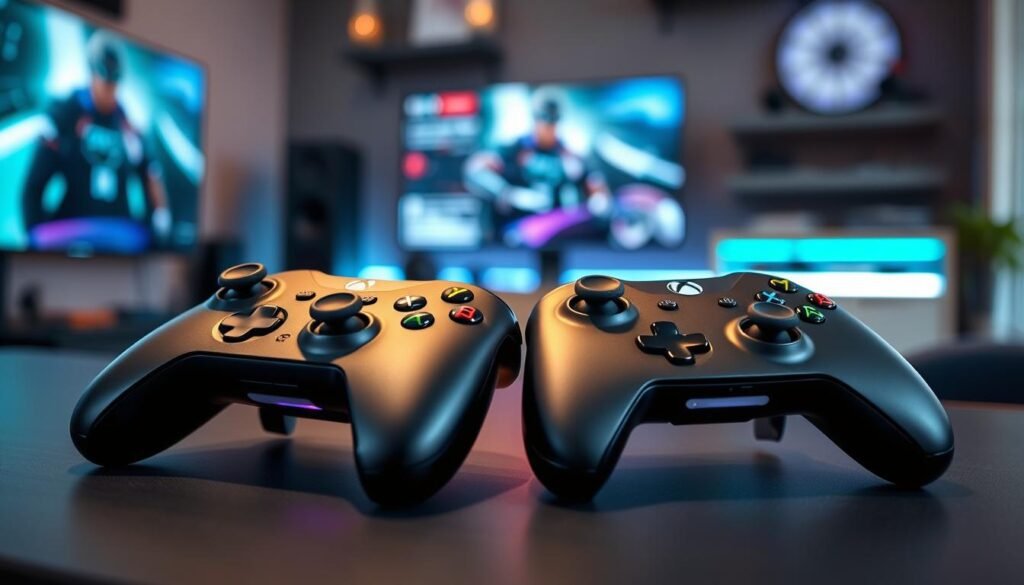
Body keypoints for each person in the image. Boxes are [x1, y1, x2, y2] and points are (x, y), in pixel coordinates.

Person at [21, 31, 170, 247]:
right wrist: (33, 236)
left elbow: (151, 176)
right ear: (91, 71)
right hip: (70, 232)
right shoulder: (64, 114)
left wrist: (159, 226)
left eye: (114, 81)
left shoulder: (130, 126)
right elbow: (33, 187)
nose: (109, 88)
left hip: (121, 235)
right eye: (104, 78)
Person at [464, 96, 611, 220]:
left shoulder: (567, 154)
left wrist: (598, 201)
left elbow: (594, 184)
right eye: (543, 118)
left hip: (552, 226)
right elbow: (475, 169)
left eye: (553, 120)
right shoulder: (515, 148)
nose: (548, 125)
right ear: (535, 119)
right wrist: (508, 193)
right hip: (514, 227)